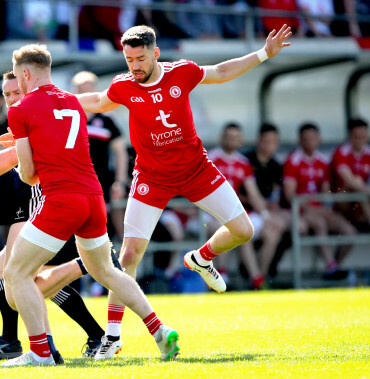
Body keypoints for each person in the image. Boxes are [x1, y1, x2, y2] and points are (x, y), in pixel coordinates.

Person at [75, 24, 292, 356]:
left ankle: (201, 259)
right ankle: (113, 337)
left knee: (244, 230)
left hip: (196, 171)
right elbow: (99, 101)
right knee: (129, 256)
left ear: (156, 53)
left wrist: (263, 53)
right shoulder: (124, 86)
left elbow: (220, 71)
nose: (135, 66)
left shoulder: (182, 72)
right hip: (151, 178)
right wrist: (54, 102)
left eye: (141, 58)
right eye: (129, 59)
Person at [2, 43, 180, 367]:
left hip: (61, 199)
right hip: (93, 197)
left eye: (18, 78)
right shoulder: (72, 102)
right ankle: (158, 329)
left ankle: (41, 352)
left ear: (25, 73)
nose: (19, 85)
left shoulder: (20, 110)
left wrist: (20, 155)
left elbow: (29, 175)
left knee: (15, 272)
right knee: (107, 271)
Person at [0, 71, 108, 361]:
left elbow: (30, 169)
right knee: (27, 278)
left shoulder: (32, 113)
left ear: (27, 89)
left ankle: (25, 343)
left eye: (15, 93)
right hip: (39, 198)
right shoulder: (26, 116)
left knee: (10, 270)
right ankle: (86, 337)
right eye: (6, 95)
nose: (10, 100)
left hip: (44, 199)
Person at [283, 122, 356, 279]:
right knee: (319, 223)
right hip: (302, 211)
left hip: (321, 210)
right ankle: (331, 266)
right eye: (306, 138)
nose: (309, 141)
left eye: (312, 138)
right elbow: (290, 195)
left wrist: (328, 205)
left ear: (319, 139)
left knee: (349, 232)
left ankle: (334, 266)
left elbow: (326, 191)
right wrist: (315, 209)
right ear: (300, 141)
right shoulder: (293, 161)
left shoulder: (323, 162)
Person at [208, 123, 275, 289]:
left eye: (236, 137)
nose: (232, 140)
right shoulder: (210, 158)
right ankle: (227, 275)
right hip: (209, 214)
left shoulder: (243, 162)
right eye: (229, 136)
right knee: (232, 228)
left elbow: (253, 194)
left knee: (267, 230)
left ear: (241, 140)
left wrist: (266, 215)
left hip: (234, 213)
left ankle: (259, 277)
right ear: (221, 138)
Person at [71, 71, 129, 241]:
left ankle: (122, 256)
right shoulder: (66, 116)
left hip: (100, 180)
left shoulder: (106, 119)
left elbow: (120, 152)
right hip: (72, 180)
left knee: (105, 219)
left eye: (88, 90)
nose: (85, 94)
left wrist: (120, 181)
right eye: (80, 90)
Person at [243, 123, 291, 281]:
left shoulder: (275, 165)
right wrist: (257, 203)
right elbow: (234, 192)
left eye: (273, 142)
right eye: (266, 141)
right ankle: (252, 272)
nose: (269, 145)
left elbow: (276, 194)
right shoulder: (246, 161)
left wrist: (272, 206)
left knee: (279, 229)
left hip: (262, 212)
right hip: (245, 211)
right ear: (259, 140)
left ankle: (262, 277)